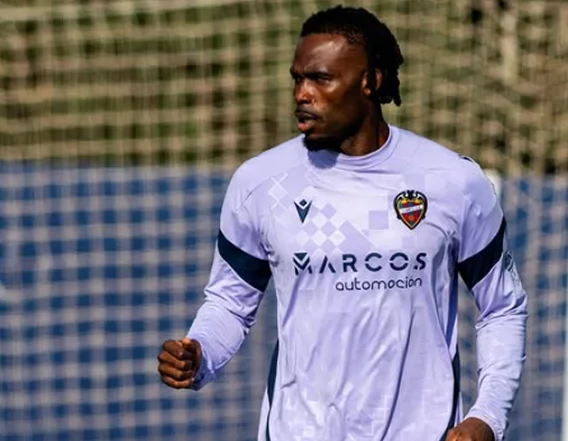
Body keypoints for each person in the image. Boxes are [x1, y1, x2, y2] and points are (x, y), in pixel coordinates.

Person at [157, 5, 527, 441]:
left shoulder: (453, 181)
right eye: (297, 79)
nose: (302, 93)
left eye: (320, 78)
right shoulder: (260, 183)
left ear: (370, 81)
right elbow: (229, 304)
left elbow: (502, 307)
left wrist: (487, 417)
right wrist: (199, 354)